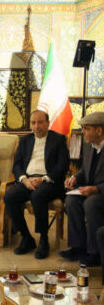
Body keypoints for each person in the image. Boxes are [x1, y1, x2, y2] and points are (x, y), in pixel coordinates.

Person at [4, 110, 69, 259]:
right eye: (33, 123)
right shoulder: (25, 140)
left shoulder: (58, 139)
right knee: (10, 197)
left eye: (40, 122)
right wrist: (24, 180)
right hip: (28, 181)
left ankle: (43, 240)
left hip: (50, 182)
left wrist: (43, 179)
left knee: (38, 195)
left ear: (47, 123)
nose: (36, 126)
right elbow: (17, 165)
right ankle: (26, 238)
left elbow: (62, 166)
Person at [62, 112, 104, 266]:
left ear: (99, 131)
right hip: (90, 190)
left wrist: (96, 188)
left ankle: (95, 252)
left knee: (91, 204)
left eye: (86, 128)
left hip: (100, 192)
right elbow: (85, 169)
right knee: (71, 200)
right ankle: (78, 247)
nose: (83, 132)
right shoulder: (88, 144)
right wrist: (75, 177)